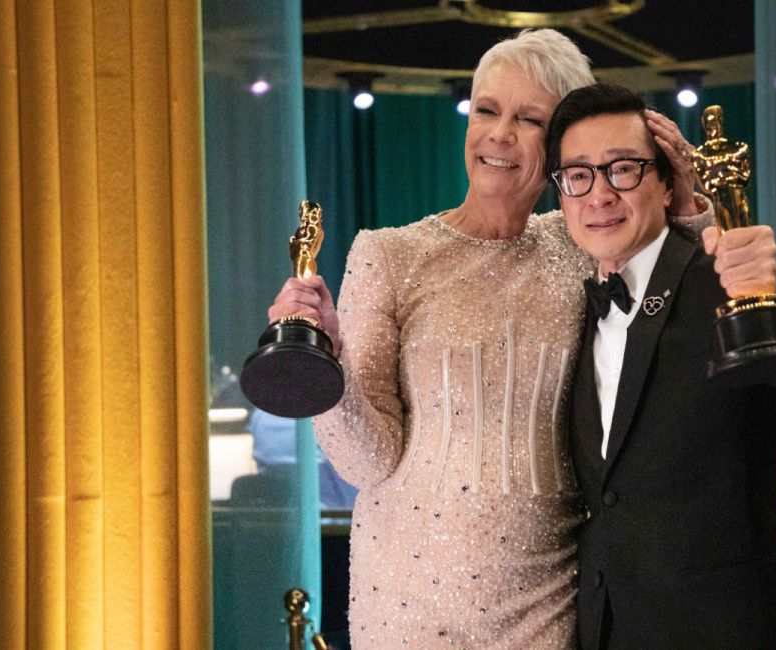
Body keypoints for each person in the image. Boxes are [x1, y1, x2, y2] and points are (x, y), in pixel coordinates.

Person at [265, 30, 708, 649]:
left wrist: (685, 199)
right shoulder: (387, 255)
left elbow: (686, 295)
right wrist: (326, 361)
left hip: (547, 601)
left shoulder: (585, 241)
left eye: (529, 119)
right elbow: (366, 461)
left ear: (560, 150)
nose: (500, 134)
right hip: (404, 602)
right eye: (486, 110)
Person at [546, 84, 776, 649]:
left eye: (623, 169)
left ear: (664, 182)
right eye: (578, 175)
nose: (599, 195)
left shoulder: (728, 283)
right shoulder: (569, 310)